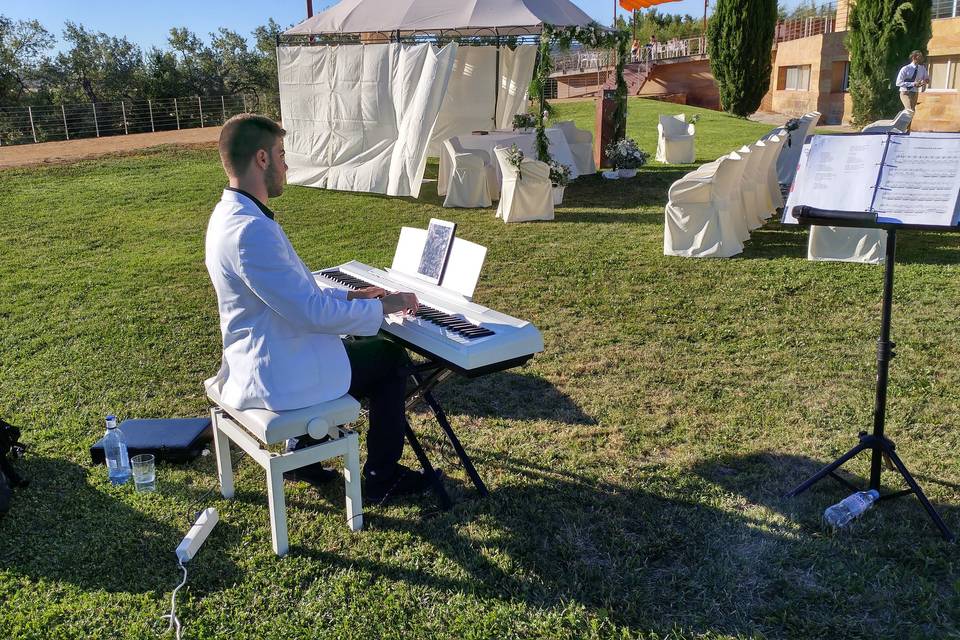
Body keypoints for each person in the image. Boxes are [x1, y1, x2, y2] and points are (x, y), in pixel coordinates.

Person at [204, 113, 437, 504]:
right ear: (261, 159)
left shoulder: (228, 214)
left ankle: (303, 458)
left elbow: (292, 296)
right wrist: (384, 308)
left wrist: (352, 298)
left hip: (270, 352)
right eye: (280, 154)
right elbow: (310, 312)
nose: (285, 164)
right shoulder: (250, 231)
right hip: (279, 371)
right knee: (389, 357)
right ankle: (383, 476)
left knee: (359, 347)